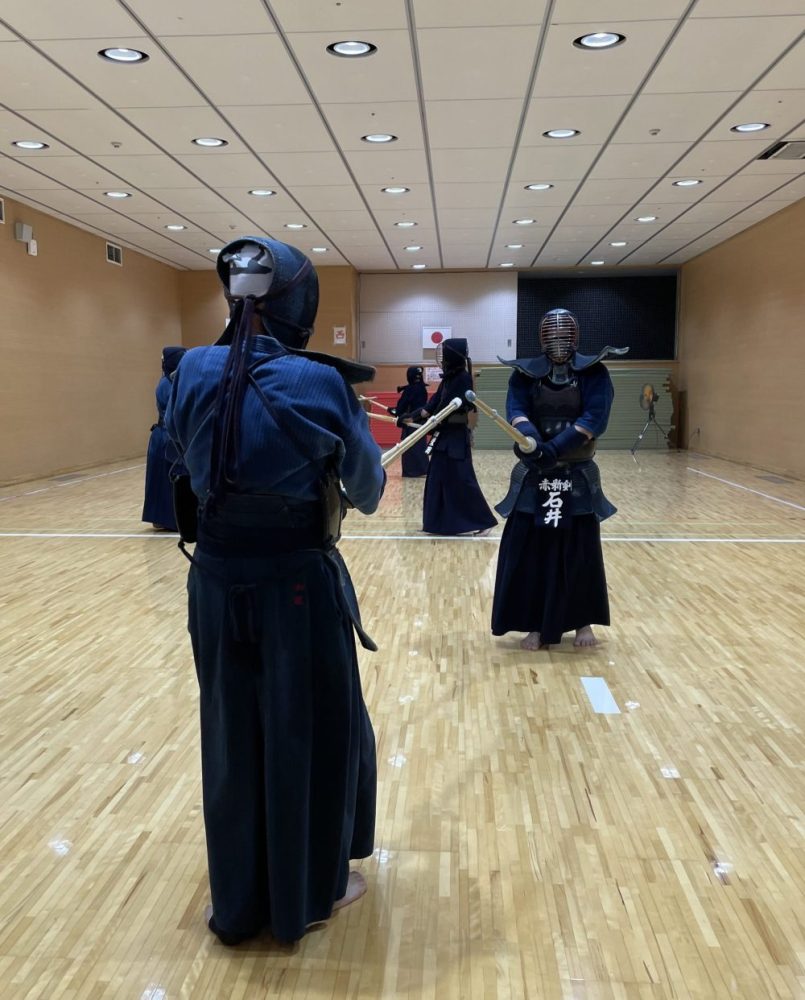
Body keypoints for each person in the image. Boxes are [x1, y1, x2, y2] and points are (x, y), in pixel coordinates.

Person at [164, 237, 385, 945]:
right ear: (300, 303)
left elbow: (183, 456)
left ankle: (239, 897)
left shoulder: (186, 370)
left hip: (214, 582)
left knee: (232, 733)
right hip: (296, 586)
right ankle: (306, 891)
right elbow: (369, 490)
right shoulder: (320, 383)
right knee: (304, 729)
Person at [491, 309, 625, 650]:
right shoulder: (525, 375)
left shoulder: (594, 373)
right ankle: (534, 624)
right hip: (535, 473)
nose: (558, 341)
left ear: (575, 336)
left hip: (576, 474)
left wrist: (556, 448)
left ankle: (582, 622)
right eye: (552, 334)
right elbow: (516, 410)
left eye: (565, 334)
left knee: (579, 552)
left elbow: (594, 417)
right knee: (530, 553)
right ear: (542, 337)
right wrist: (534, 443)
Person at [420, 338, 497, 535]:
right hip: (444, 436)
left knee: (462, 478)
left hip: (455, 437)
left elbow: (445, 406)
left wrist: (429, 419)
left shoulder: (463, 378)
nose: (442, 358)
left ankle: (484, 521)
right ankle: (438, 523)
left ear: (452, 356)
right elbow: (432, 404)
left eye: (445, 354)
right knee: (437, 477)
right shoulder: (448, 378)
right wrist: (410, 416)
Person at [142, 346, 186, 530]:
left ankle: (169, 519)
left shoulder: (174, 382)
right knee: (166, 479)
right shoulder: (167, 385)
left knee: (167, 479)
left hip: (169, 436)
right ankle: (168, 520)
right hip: (166, 437)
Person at [388, 365, 429, 477]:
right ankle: (422, 470)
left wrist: (396, 412)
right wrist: (396, 411)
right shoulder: (422, 388)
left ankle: (413, 472)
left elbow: (402, 407)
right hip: (419, 422)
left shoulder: (410, 390)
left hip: (411, 422)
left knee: (411, 448)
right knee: (420, 446)